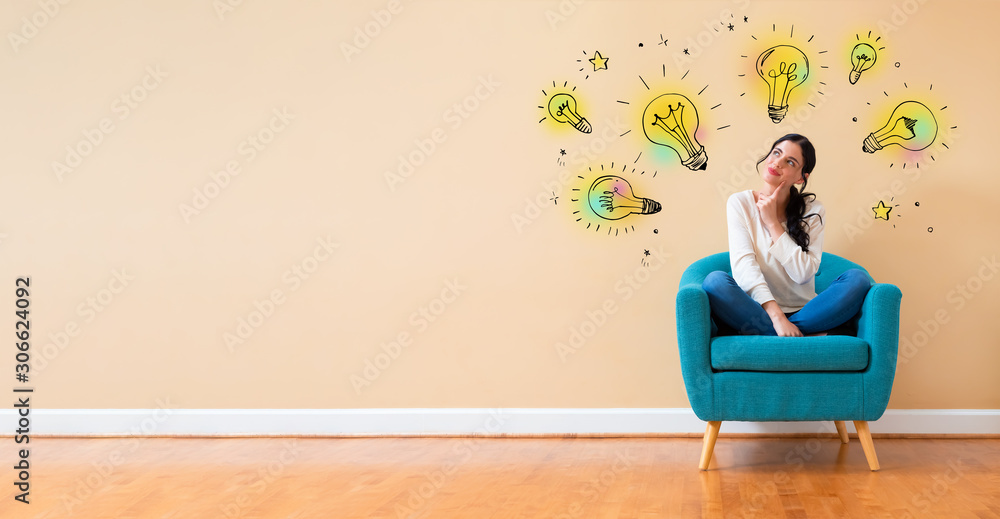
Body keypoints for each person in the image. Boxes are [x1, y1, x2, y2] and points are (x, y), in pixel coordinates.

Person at [702, 134, 871, 337]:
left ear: (801, 177)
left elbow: (802, 274)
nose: (777, 162)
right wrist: (778, 318)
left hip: (807, 311)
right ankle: (795, 332)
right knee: (715, 282)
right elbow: (744, 267)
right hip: (757, 311)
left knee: (857, 279)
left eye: (790, 162)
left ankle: (779, 333)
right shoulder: (739, 203)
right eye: (776, 153)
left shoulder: (813, 210)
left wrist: (772, 223)